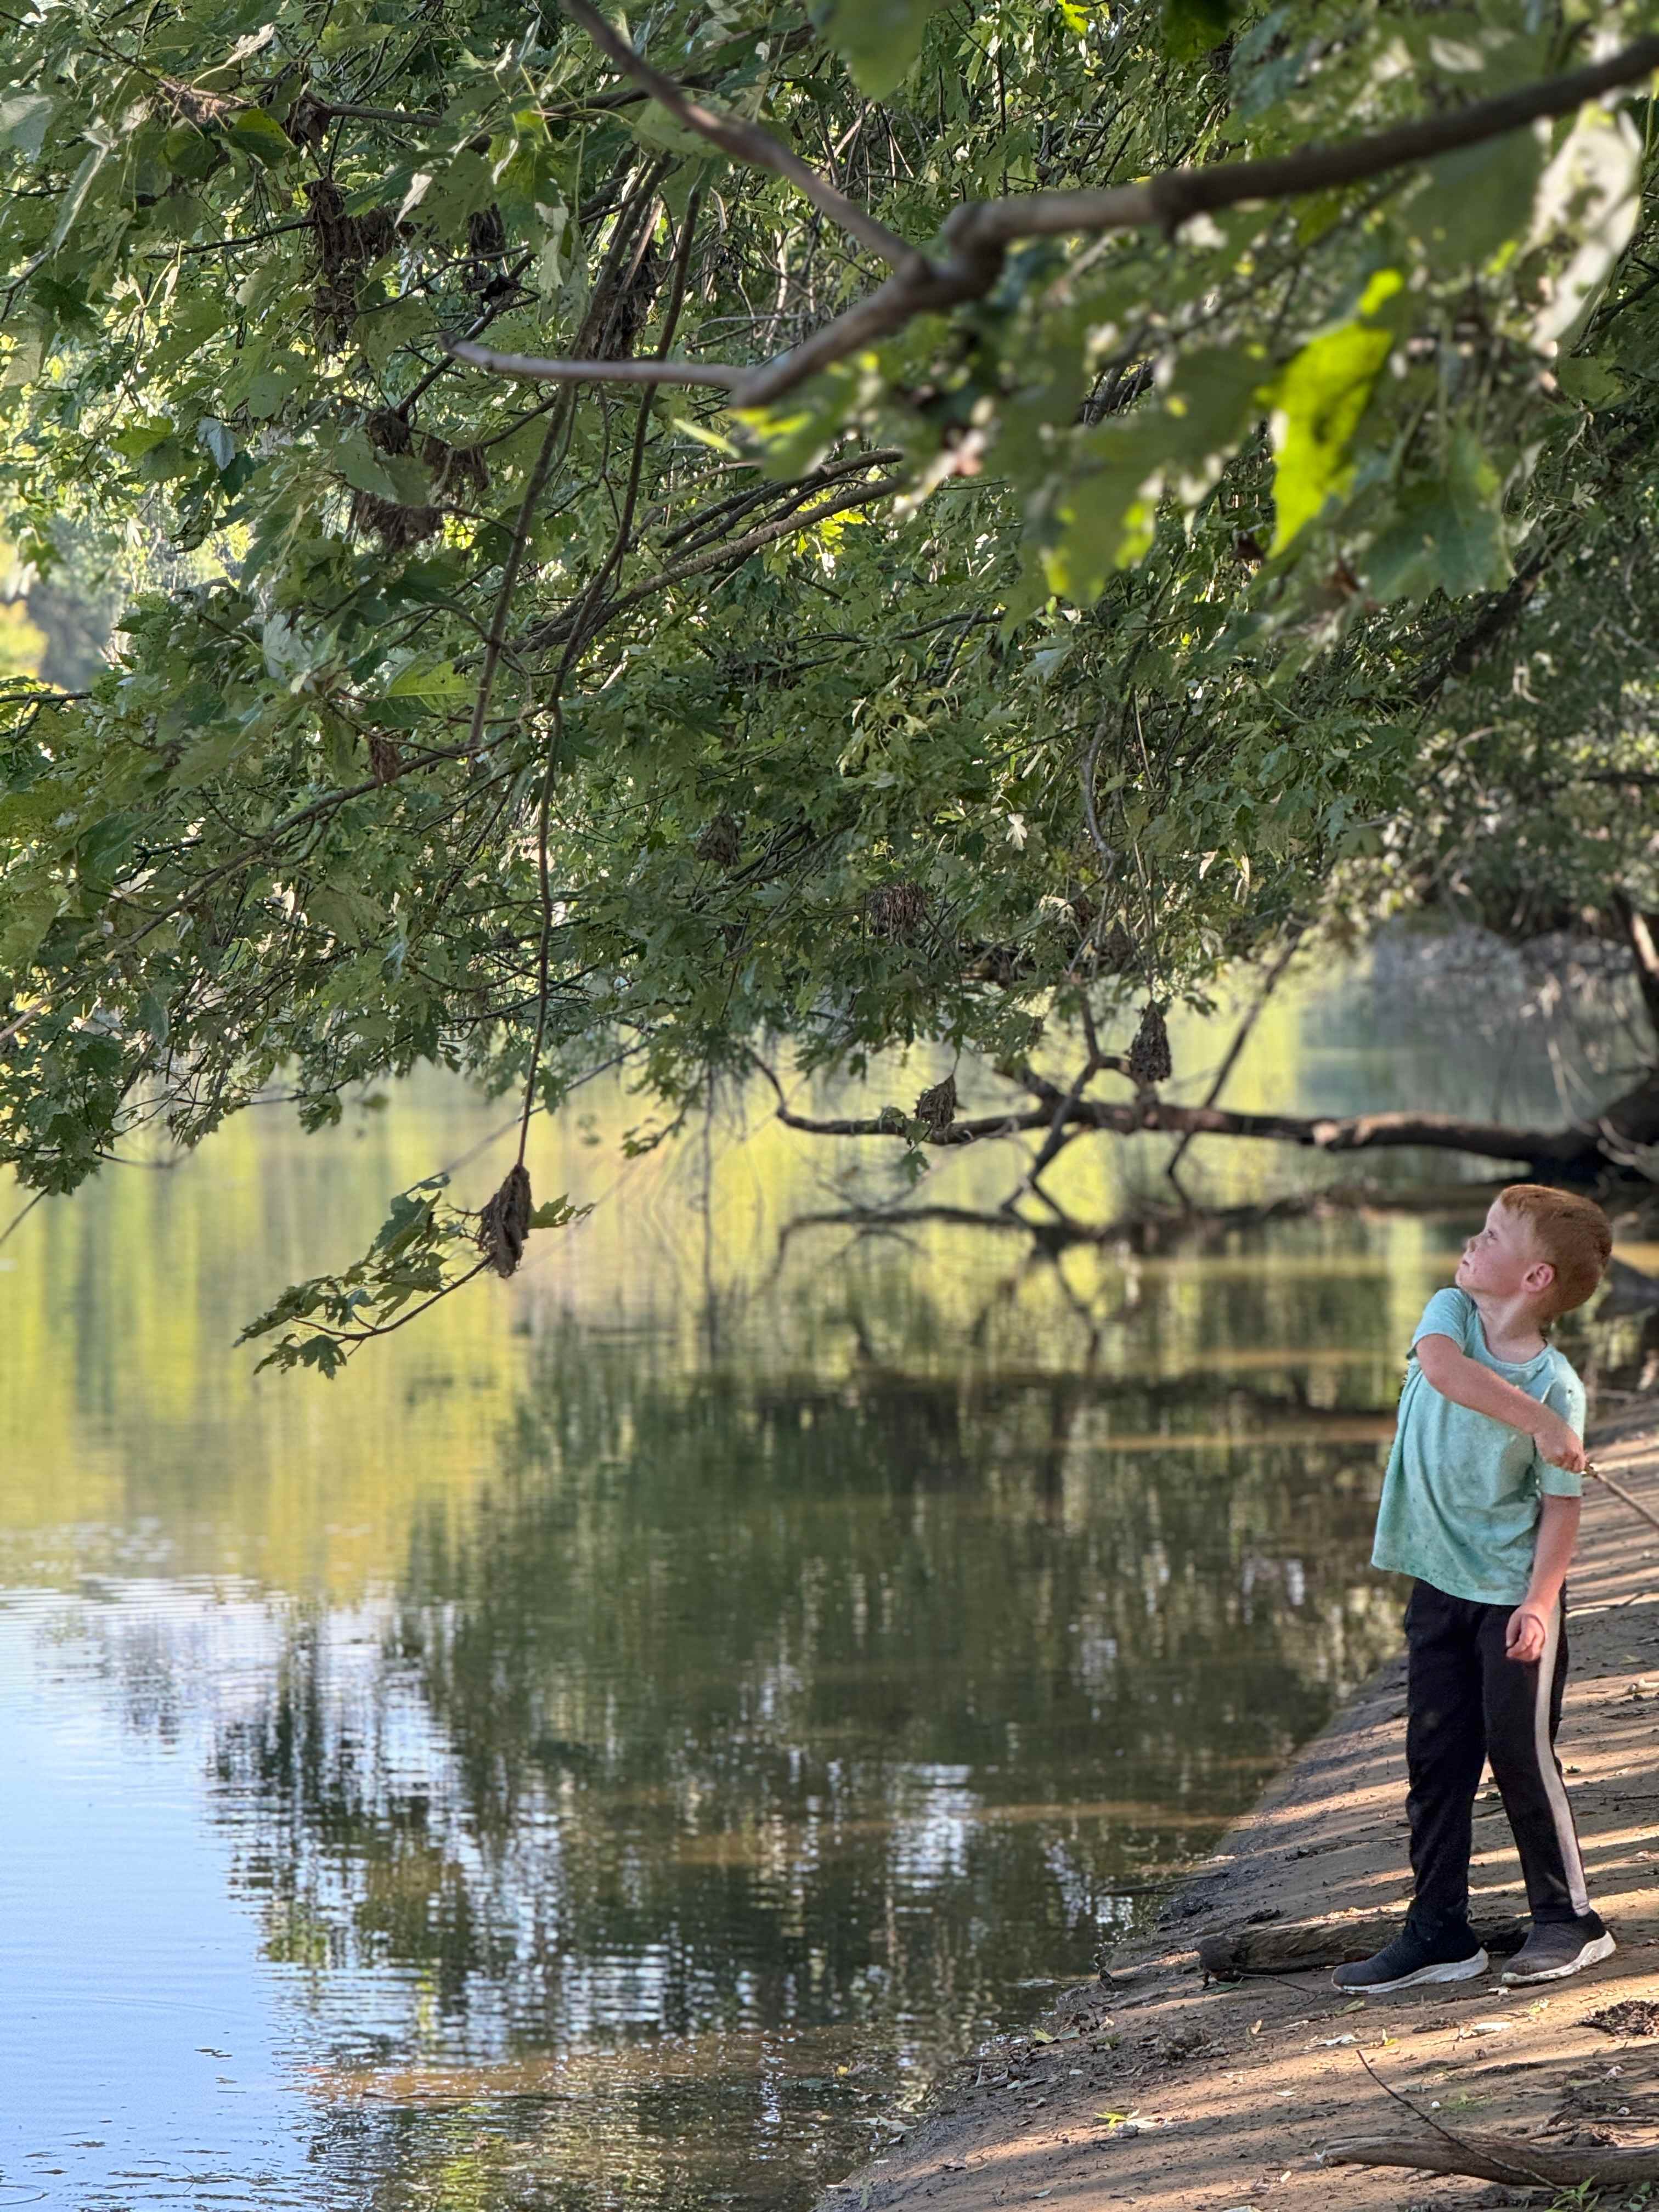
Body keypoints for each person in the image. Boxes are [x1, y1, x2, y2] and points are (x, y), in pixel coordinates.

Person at [1334, 1183, 1615, 1994]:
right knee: (1436, 1758)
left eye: (1492, 1236)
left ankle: (1569, 1920)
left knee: (1519, 1753)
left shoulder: (1561, 1388)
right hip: (1439, 1587)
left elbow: (1561, 1514)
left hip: (1512, 1595)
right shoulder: (1450, 1317)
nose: (1471, 1242)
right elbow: (1443, 1371)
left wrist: (1538, 1602)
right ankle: (1439, 1931)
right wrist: (1536, 1424)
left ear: (1534, 1279)